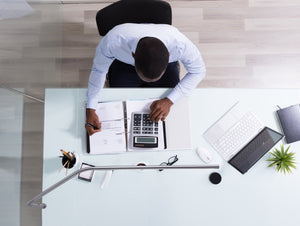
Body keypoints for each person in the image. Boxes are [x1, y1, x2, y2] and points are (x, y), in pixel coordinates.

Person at [86, 23, 206, 135]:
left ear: (169, 55)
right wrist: (91, 108)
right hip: (126, 67)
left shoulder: (180, 44)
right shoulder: (113, 41)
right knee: (120, 107)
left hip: (165, 68)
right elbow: (99, 71)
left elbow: (199, 71)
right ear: (132, 55)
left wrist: (169, 100)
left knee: (172, 118)